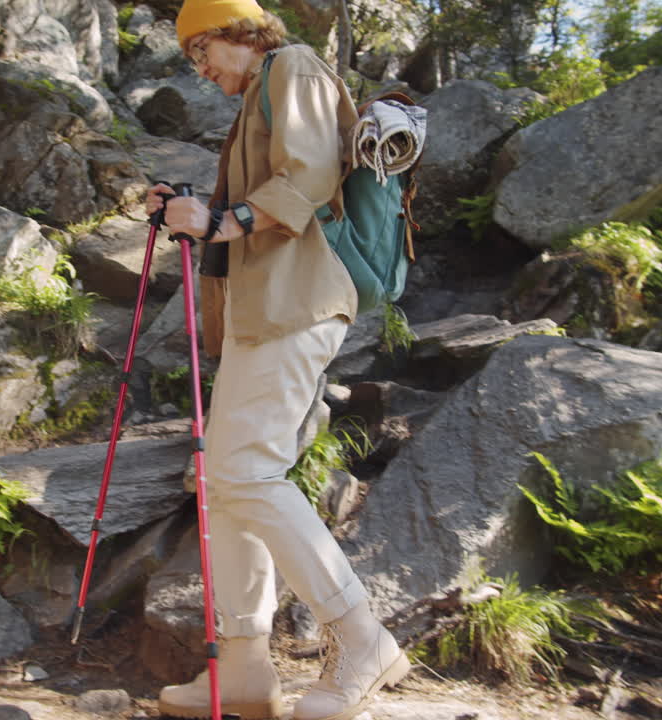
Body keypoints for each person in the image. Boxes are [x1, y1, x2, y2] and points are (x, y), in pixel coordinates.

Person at [144, 1, 411, 719]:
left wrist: (219, 220)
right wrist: (191, 209)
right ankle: (244, 670)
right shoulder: (252, 102)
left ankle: (362, 638)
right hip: (262, 309)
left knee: (248, 473)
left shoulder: (292, 66)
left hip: (299, 300)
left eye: (202, 51)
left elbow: (311, 174)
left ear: (237, 32)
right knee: (224, 481)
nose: (201, 70)